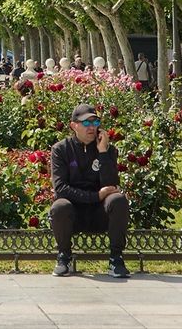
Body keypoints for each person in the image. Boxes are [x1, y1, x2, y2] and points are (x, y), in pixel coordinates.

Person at [49, 103, 130, 278]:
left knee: (118, 200)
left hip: (100, 213)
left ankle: (116, 259)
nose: (92, 127)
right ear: (74, 126)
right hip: (73, 212)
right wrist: (95, 195)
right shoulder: (61, 150)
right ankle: (64, 257)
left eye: (95, 122)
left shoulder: (108, 149)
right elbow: (61, 189)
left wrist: (102, 153)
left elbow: (111, 185)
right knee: (59, 206)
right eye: (86, 123)